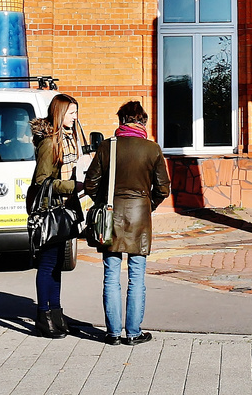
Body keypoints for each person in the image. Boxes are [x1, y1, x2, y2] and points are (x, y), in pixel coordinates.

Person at [84, 100, 172, 345]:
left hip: (111, 217)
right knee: (137, 277)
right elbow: (163, 188)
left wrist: (104, 201)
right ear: (142, 121)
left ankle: (112, 333)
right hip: (140, 219)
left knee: (111, 276)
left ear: (121, 120)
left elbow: (91, 184)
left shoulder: (107, 146)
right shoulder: (152, 149)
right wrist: (148, 205)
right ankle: (133, 333)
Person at [30, 93, 83, 338]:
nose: (75, 117)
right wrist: (74, 186)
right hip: (49, 212)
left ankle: (56, 314)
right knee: (48, 264)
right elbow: (42, 182)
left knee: (57, 266)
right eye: (71, 113)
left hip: (63, 209)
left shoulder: (66, 140)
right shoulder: (50, 144)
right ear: (61, 113)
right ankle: (43, 317)